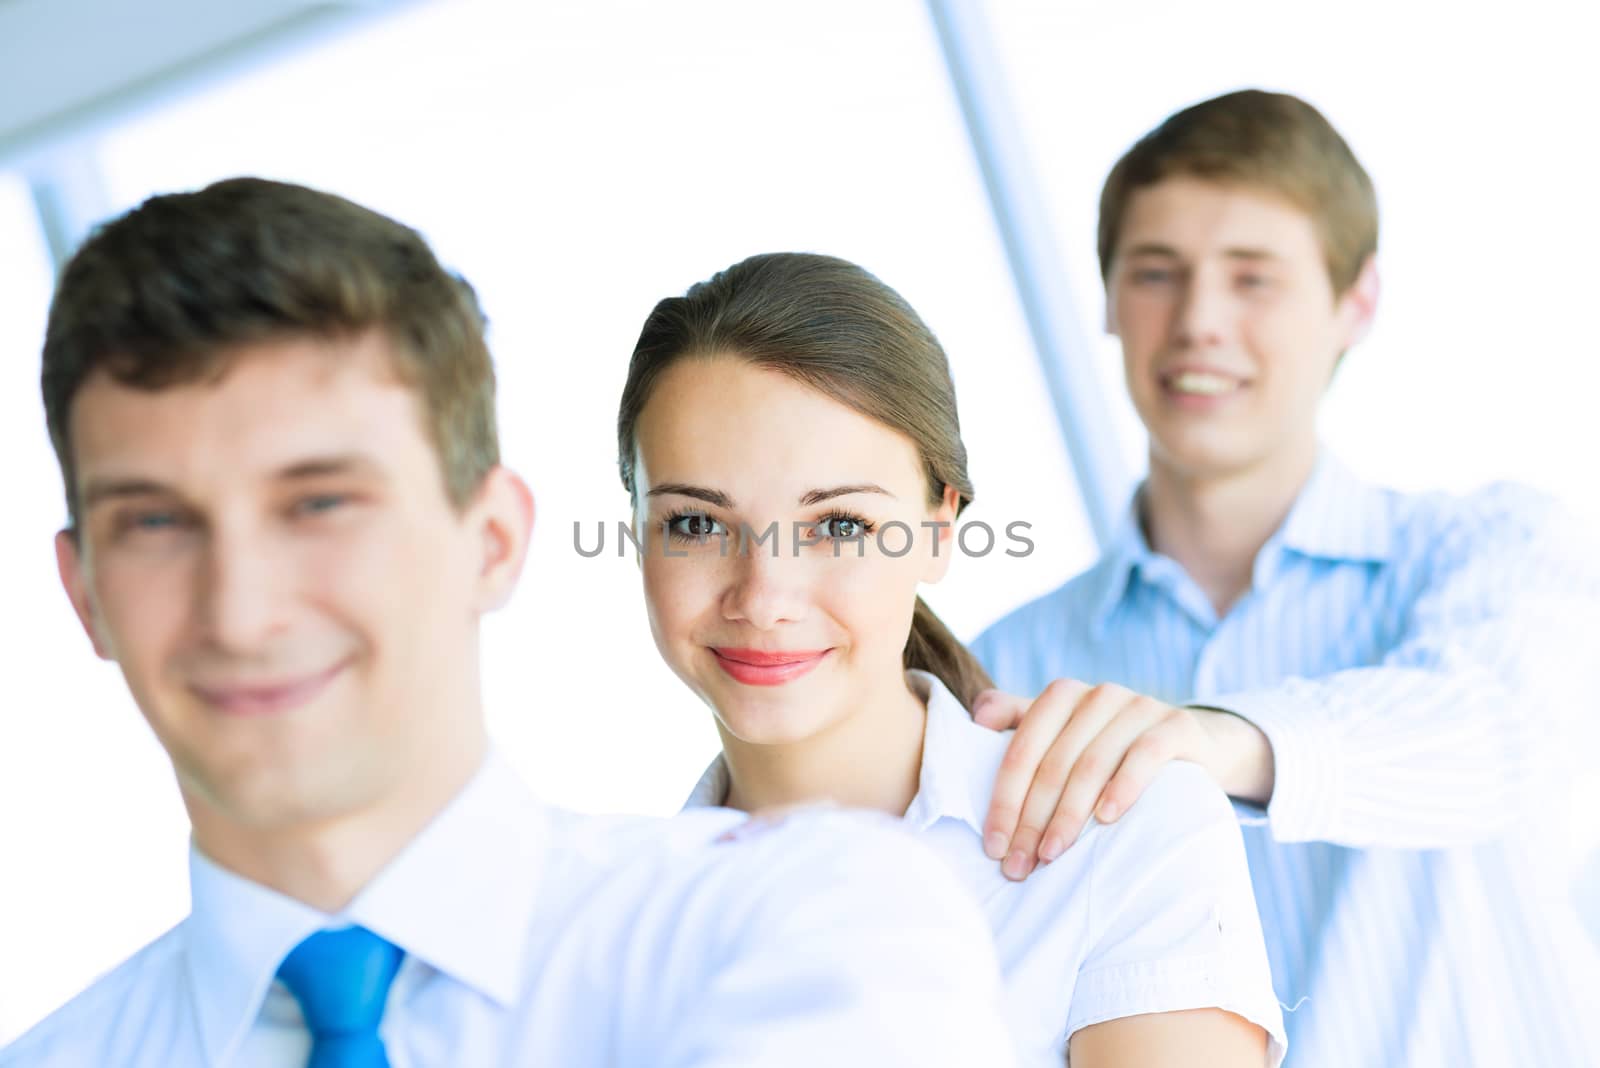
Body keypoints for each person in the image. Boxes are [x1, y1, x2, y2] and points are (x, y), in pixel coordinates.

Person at [0, 178, 1018, 1068]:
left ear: (490, 540)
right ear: (83, 589)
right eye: (155, 522)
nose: (242, 608)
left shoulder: (808, 928)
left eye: (320, 504)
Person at [968, 89, 1600, 1065]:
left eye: (1251, 277)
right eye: (1154, 273)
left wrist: (1215, 743)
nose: (1197, 322)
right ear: (1106, 300)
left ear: (1356, 302)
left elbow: (1493, 736)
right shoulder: (1011, 664)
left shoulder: (1494, 552)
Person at [616, 251, 1288, 1067]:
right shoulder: (615, 926)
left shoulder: (1127, 835)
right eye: (695, 524)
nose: (763, 597)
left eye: (838, 526)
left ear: (939, 527)